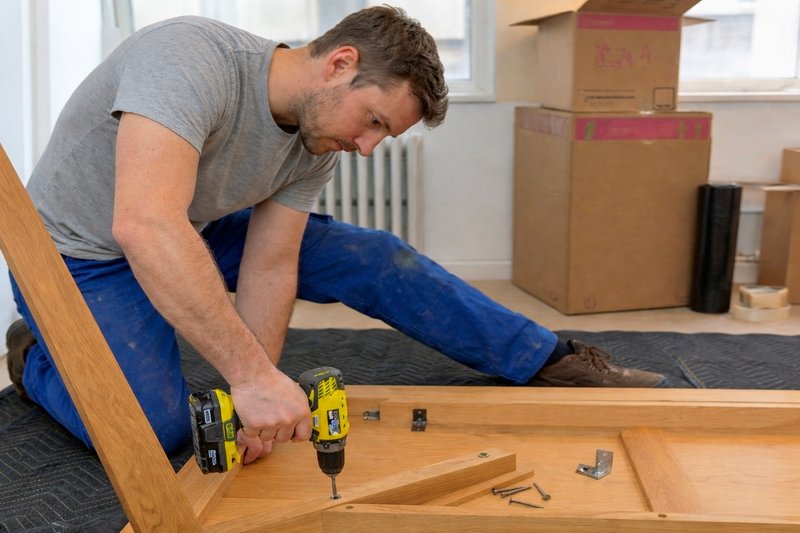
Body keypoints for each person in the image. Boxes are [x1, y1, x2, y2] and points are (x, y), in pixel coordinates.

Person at [4, 6, 664, 462]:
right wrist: (251, 377)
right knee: (157, 428)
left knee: (372, 256)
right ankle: (36, 358)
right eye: (373, 120)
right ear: (340, 63)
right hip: (82, 253)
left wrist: (254, 393)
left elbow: (270, 264)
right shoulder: (188, 58)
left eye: (385, 135)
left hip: (187, 224)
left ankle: (546, 358)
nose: (369, 147)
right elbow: (144, 223)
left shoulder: (316, 138)